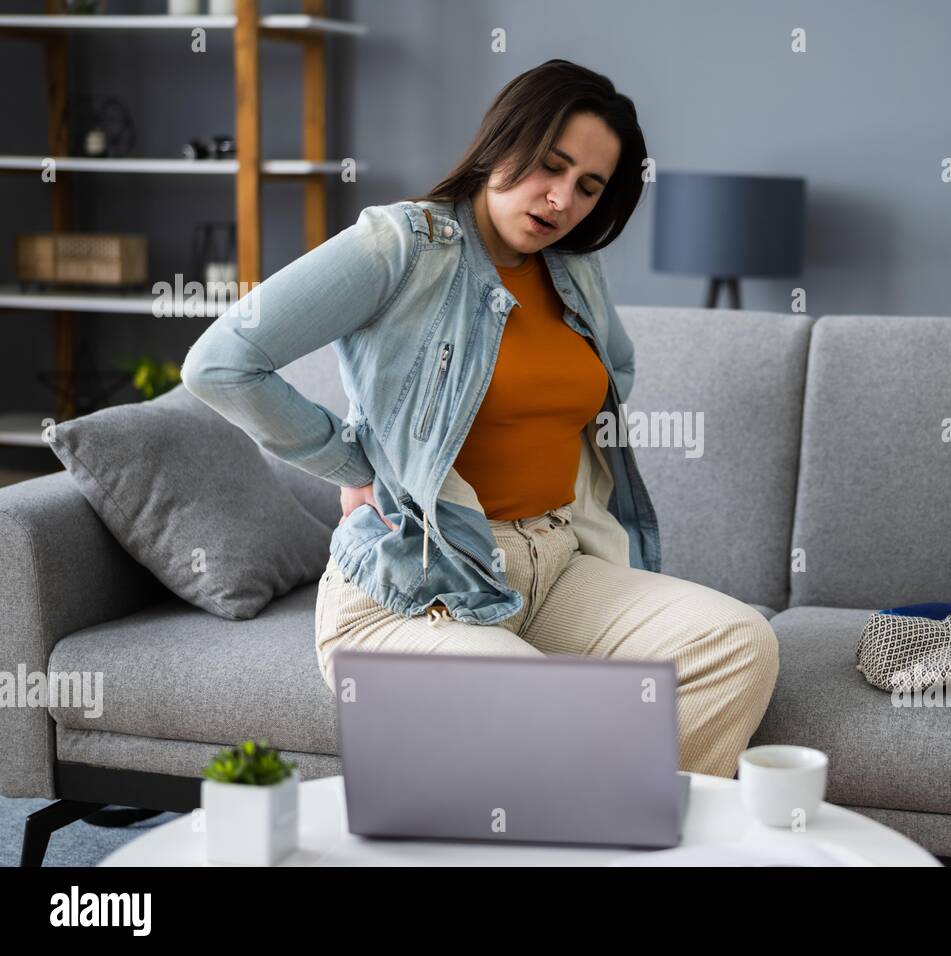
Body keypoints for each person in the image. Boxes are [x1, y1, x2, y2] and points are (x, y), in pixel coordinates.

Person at [182, 59, 778, 779]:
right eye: (550, 166)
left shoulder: (574, 269)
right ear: (503, 142)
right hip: (413, 589)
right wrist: (358, 463)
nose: (561, 199)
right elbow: (221, 362)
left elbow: (612, 371)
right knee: (542, 706)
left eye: (588, 186)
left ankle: (646, 839)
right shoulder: (402, 244)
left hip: (554, 566)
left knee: (738, 643)